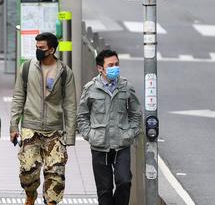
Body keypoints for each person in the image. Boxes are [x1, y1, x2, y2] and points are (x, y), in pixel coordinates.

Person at [9, 32, 77, 205]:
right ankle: (30, 194)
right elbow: (18, 97)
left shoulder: (65, 72)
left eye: (42, 48)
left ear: (51, 50)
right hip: (30, 127)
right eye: (36, 47)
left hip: (55, 130)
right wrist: (13, 126)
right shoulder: (26, 68)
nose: (37, 50)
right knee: (27, 171)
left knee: (56, 174)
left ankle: (51, 202)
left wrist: (69, 135)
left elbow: (70, 104)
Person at [77, 49, 142, 205]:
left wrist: (131, 132)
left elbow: (136, 113)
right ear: (101, 68)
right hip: (100, 145)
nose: (115, 68)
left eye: (117, 64)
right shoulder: (90, 88)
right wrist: (90, 134)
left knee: (124, 181)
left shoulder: (126, 87)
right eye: (111, 65)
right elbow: (82, 116)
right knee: (104, 190)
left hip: (122, 145)